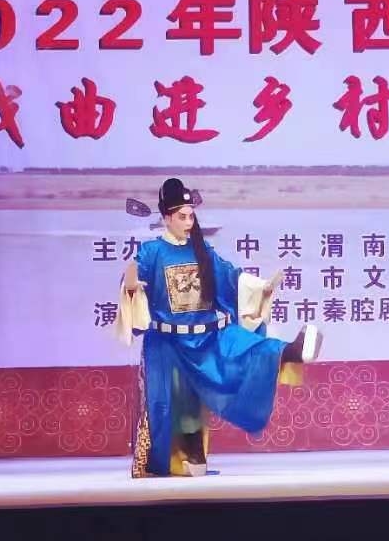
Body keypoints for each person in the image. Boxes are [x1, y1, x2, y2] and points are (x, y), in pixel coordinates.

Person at [114, 178, 322, 478]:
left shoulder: (202, 250)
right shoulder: (151, 252)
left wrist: (260, 287)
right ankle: (183, 458)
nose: (189, 223)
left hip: (206, 338)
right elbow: (133, 287)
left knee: (242, 347)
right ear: (167, 218)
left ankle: (290, 351)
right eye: (182, 217)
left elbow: (231, 277)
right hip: (168, 345)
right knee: (177, 403)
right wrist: (131, 286)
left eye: (191, 216)